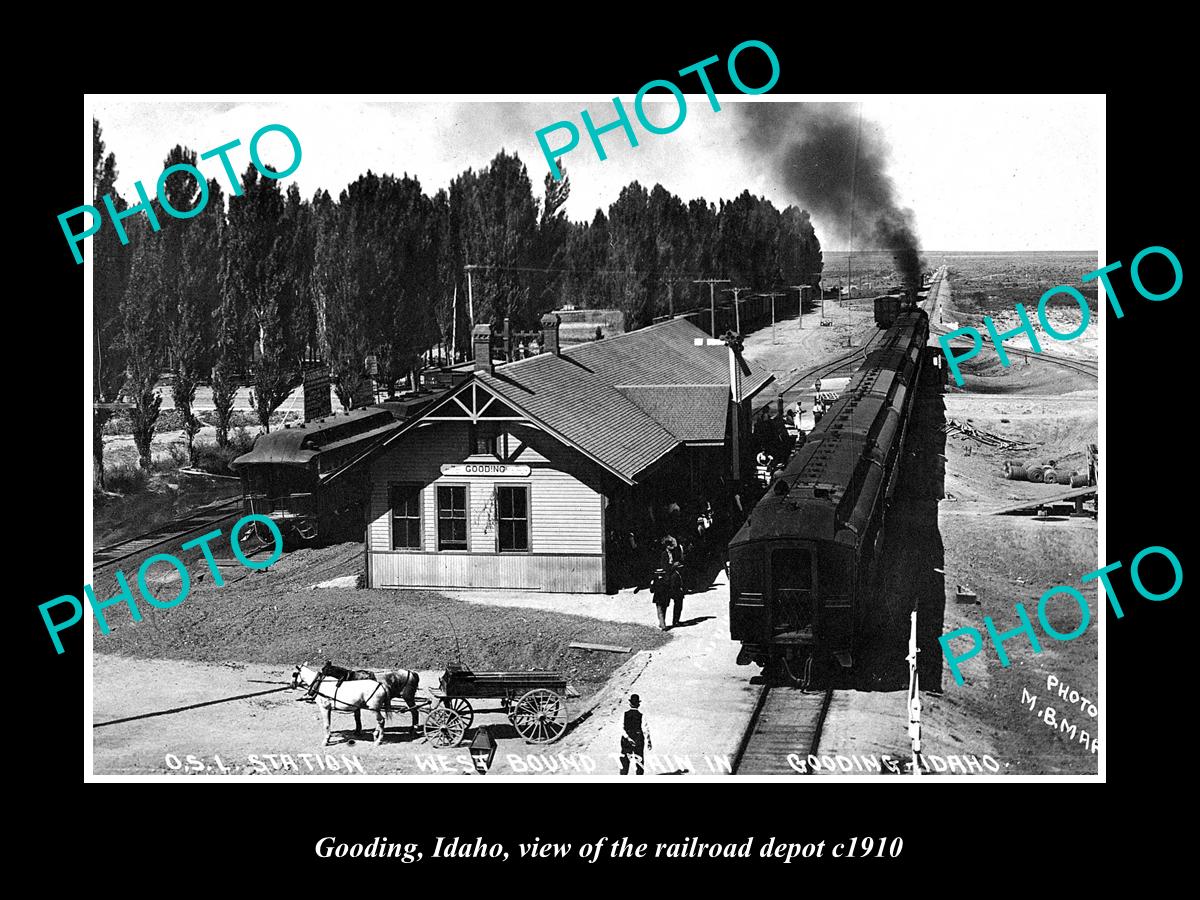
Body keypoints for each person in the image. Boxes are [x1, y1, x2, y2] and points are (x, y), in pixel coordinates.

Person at [619, 694, 652, 775]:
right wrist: (649, 741)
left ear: (630, 704)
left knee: (625, 760)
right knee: (639, 761)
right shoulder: (641, 716)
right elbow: (645, 729)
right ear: (639, 704)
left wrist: (627, 737)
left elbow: (621, 728)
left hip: (626, 740)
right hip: (638, 739)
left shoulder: (624, 714)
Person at [650, 539, 674, 630]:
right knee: (660, 604)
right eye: (670, 545)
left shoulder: (670, 553)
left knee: (664, 604)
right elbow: (665, 566)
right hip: (662, 581)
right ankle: (663, 624)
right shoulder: (664, 554)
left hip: (666, 581)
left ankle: (662, 622)